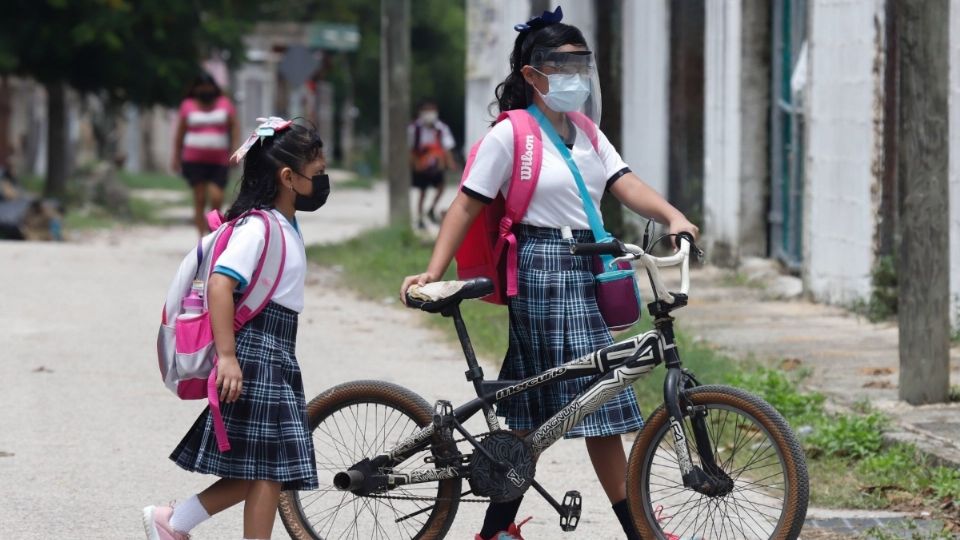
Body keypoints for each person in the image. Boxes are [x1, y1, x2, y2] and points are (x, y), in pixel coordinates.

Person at [400, 7, 699, 540]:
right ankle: (640, 532)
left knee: (533, 405)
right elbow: (465, 206)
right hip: (542, 267)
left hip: (589, 263)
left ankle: (497, 529)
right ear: (531, 76)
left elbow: (623, 183)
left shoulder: (586, 130)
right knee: (597, 392)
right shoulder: (510, 135)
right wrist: (431, 272)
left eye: (581, 65)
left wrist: (672, 215)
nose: (575, 78)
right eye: (562, 66)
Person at [143, 118, 329, 540]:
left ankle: (172, 522)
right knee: (268, 468)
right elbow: (221, 284)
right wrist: (227, 357)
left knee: (269, 467)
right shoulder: (259, 226)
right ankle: (171, 521)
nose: (322, 181)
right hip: (258, 351)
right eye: (317, 173)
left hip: (277, 351)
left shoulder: (282, 224)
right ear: (288, 177)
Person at [172, 72, 241, 236]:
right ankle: (201, 237)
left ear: (214, 87)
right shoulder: (187, 105)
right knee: (200, 198)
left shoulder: (224, 104)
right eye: (201, 86)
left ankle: (213, 232)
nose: (205, 89)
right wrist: (176, 156)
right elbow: (180, 132)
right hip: (193, 160)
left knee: (217, 197)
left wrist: (235, 149)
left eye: (208, 86)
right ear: (195, 89)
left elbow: (234, 127)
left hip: (219, 160)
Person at [409, 99, 457, 229]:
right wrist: (414, 164)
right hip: (421, 164)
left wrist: (450, 163)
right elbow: (410, 149)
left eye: (432, 110)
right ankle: (419, 218)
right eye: (427, 110)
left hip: (436, 164)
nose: (429, 113)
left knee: (441, 187)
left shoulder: (441, 128)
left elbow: (447, 147)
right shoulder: (415, 129)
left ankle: (431, 209)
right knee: (422, 192)